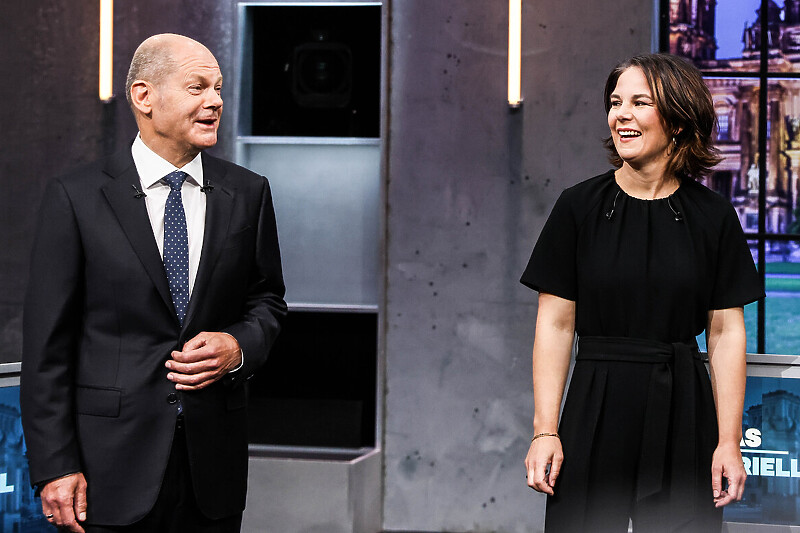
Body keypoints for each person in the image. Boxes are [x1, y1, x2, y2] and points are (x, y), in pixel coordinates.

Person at [21, 33, 286, 532]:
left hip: (214, 469)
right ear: (144, 96)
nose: (216, 101)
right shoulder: (76, 197)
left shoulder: (248, 193)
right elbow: (46, 347)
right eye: (197, 87)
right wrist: (54, 464)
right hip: (108, 469)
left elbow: (267, 300)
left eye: (219, 88)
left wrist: (238, 344)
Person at [521, 53, 763, 532]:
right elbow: (555, 323)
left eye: (639, 102)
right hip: (595, 404)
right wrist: (545, 431)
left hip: (684, 410)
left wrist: (728, 442)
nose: (620, 114)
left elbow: (726, 333)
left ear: (675, 119)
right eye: (614, 102)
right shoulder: (578, 206)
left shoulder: (713, 216)